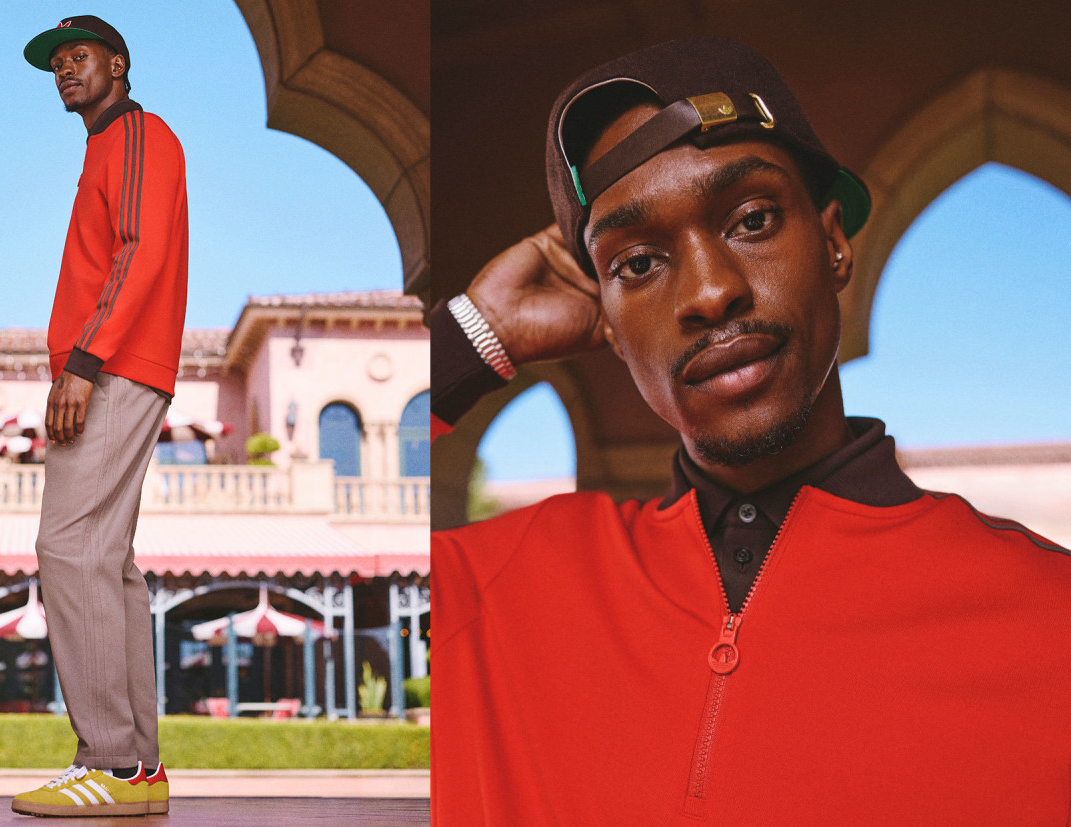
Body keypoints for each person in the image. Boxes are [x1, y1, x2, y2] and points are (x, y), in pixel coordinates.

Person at [429, 37, 1071, 824]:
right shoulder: (492, 594)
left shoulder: (1050, 620)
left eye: (752, 219)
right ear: (611, 325)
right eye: (638, 264)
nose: (709, 291)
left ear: (834, 243)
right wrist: (472, 338)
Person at [9, 15, 185, 819]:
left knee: (68, 547)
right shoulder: (104, 147)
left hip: (113, 366)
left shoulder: (138, 134)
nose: (64, 70)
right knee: (108, 564)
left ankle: (108, 758)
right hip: (112, 364)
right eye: (55, 64)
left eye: (78, 56)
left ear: (118, 62)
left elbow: (141, 247)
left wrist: (83, 361)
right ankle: (137, 770)